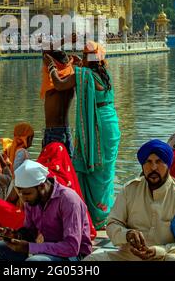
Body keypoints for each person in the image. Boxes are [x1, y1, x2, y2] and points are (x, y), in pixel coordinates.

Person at [44, 40, 120, 229]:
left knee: (90, 169)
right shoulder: (104, 74)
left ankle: (90, 216)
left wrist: (52, 67)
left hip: (97, 125)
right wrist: (81, 64)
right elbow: (90, 80)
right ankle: (104, 212)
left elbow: (60, 85)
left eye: (84, 55)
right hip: (111, 122)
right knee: (105, 171)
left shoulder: (83, 75)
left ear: (87, 58)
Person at [84, 139, 175, 261]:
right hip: (129, 257)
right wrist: (127, 234)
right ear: (142, 165)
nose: (153, 167)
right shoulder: (129, 190)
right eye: (148, 162)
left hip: (164, 257)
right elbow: (112, 224)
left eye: (159, 161)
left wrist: (159, 250)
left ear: (168, 165)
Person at [0, 159, 92, 261]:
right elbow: (30, 232)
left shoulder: (68, 200)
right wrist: (15, 235)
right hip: (49, 250)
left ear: (41, 186)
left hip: (74, 256)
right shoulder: (31, 200)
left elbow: (71, 248)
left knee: (35, 261)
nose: (23, 198)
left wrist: (29, 247)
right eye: (20, 193)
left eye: (27, 193)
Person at [0, 123, 34, 239]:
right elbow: (18, 172)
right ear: (25, 137)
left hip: (15, 184)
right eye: (31, 137)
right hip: (18, 185)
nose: (32, 140)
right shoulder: (22, 152)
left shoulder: (16, 150)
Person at [40, 47, 75, 157]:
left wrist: (51, 65)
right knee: (68, 171)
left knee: (51, 172)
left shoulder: (54, 83)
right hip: (67, 131)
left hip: (53, 133)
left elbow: (45, 53)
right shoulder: (70, 79)